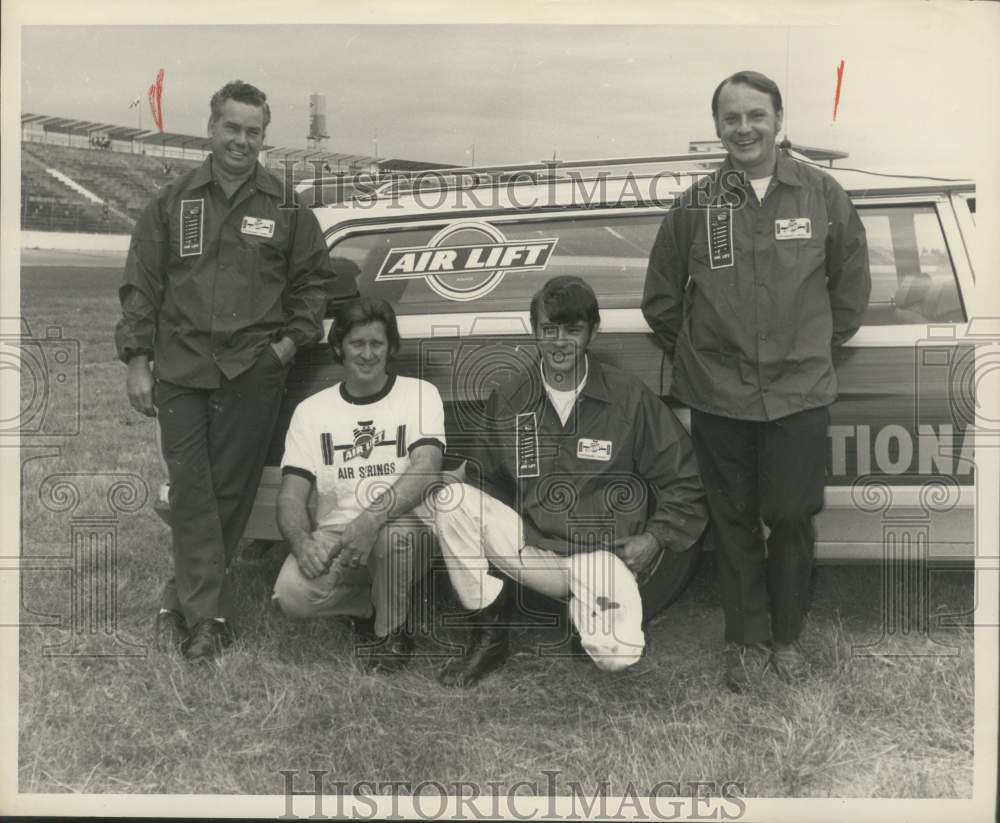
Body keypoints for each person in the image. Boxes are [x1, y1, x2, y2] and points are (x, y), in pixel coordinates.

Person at [642, 70, 871, 691]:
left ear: (778, 120)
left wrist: (810, 348)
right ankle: (746, 641)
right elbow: (661, 299)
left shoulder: (822, 194)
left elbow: (850, 289)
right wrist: (703, 359)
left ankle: (788, 638)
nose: (744, 128)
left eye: (755, 116)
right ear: (717, 126)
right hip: (719, 397)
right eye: (731, 118)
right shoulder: (695, 203)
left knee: (793, 516)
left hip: (799, 393)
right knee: (734, 519)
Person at [115, 80, 338, 661]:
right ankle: (207, 616)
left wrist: (286, 348)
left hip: (253, 371)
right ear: (211, 129)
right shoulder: (172, 202)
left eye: (253, 131)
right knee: (193, 490)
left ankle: (183, 600)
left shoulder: (287, 206)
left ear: (264, 137)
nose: (242, 140)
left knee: (231, 493)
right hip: (182, 369)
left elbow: (314, 283)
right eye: (232, 128)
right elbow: (142, 286)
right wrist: (138, 362)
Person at [433, 276, 707, 687]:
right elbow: (485, 478)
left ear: (593, 331)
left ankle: (588, 616)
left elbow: (685, 476)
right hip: (532, 548)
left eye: (573, 330)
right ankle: (488, 637)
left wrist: (655, 537)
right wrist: (444, 487)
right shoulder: (511, 397)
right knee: (451, 500)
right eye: (549, 330)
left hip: (600, 554)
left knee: (617, 653)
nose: (560, 342)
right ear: (534, 331)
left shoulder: (628, 395)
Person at [271, 297, 446, 673]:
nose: (367, 354)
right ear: (339, 348)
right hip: (337, 535)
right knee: (291, 594)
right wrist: (302, 543)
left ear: (390, 348)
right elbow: (290, 495)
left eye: (377, 344)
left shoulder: (420, 394)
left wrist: (371, 520)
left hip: (403, 528)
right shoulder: (311, 411)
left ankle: (391, 634)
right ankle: (375, 603)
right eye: (357, 344)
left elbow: (427, 466)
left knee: (391, 539)